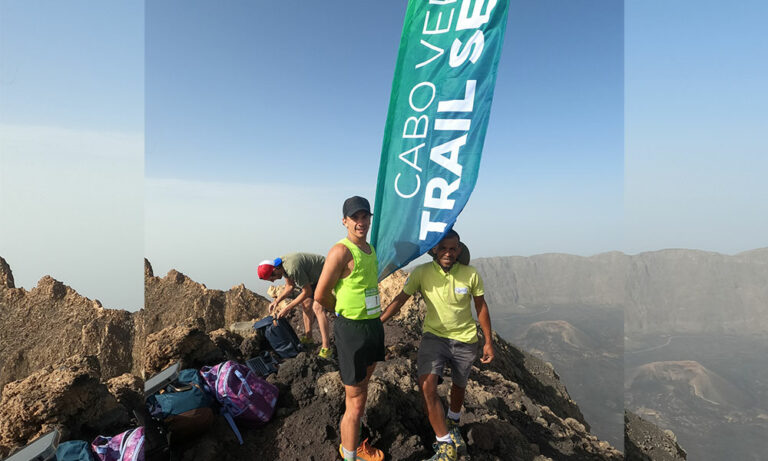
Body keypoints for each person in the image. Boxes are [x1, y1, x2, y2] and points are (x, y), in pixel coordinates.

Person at [380, 230, 494, 461]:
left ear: (459, 250)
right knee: (427, 387)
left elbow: (481, 308)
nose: (448, 253)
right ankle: (445, 443)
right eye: (443, 248)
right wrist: (378, 322)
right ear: (434, 249)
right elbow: (401, 300)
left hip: (465, 340)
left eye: (453, 249)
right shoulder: (421, 273)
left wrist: (489, 342)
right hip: (434, 337)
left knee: (459, 387)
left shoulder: (470, 274)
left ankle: (452, 421)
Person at [314, 196, 385, 461]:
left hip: (372, 327)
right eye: (355, 217)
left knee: (361, 393)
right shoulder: (341, 251)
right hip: (352, 331)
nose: (360, 222)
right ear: (344, 221)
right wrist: (342, 310)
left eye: (365, 216)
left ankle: (352, 443)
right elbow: (321, 294)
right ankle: (350, 456)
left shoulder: (370, 249)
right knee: (355, 401)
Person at [257, 253, 333, 358]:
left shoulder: (292, 268)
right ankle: (309, 338)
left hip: (327, 272)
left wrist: (287, 308)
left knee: (317, 308)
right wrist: (277, 301)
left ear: (274, 270)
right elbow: (290, 286)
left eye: (271, 278)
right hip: (313, 277)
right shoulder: (281, 266)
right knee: (306, 304)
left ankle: (326, 348)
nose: (273, 281)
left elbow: (307, 291)